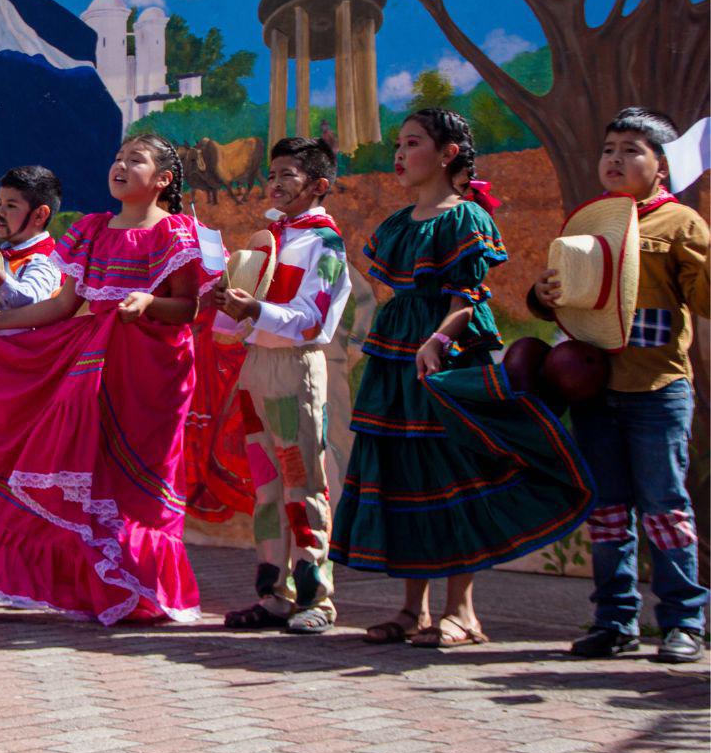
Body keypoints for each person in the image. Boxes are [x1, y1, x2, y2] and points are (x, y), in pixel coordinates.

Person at [0, 133, 222, 623]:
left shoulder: (174, 233)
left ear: (163, 179)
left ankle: (150, 590)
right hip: (94, 366)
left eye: (134, 161)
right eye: (116, 158)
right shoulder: (94, 230)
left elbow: (188, 306)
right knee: (93, 477)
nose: (119, 166)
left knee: (143, 479)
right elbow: (62, 305)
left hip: (153, 370)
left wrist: (148, 304)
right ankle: (105, 590)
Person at [330, 108, 592, 647]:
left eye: (413, 143)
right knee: (406, 471)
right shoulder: (399, 225)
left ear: (448, 153)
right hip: (396, 351)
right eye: (398, 144)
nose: (399, 154)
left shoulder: (466, 218)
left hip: (447, 354)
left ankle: (463, 613)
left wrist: (438, 340)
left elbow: (467, 298)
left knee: (455, 472)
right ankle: (412, 610)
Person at [530, 107, 709, 664]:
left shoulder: (681, 225)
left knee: (664, 508)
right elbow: (564, 300)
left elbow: (704, 302)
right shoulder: (590, 222)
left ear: (660, 166)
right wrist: (544, 293)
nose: (615, 159)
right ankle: (614, 619)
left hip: (657, 388)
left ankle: (683, 621)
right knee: (607, 512)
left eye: (632, 150)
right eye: (610, 148)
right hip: (595, 389)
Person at [213, 136, 352, 634]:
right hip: (258, 368)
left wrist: (254, 309)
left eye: (287, 175)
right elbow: (241, 318)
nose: (274, 183)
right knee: (267, 487)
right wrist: (228, 303)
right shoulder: (268, 239)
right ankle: (273, 596)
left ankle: (317, 597)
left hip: (296, 369)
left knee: (303, 484)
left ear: (318, 185)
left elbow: (312, 319)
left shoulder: (324, 244)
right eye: (272, 174)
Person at [0, 165, 63, 310]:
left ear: (40, 215)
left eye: (11, 206)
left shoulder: (46, 260)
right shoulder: (4, 255)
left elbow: (33, 304)